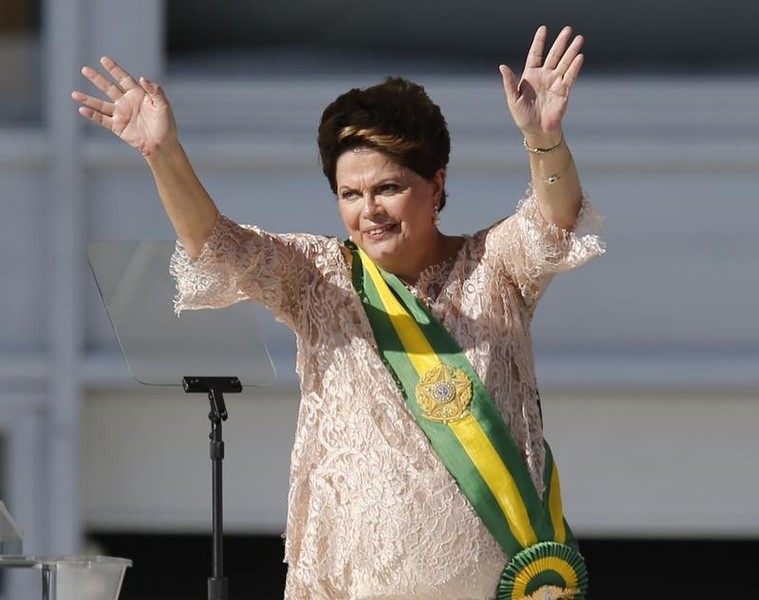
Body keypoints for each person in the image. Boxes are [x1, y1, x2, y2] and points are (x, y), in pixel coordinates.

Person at [73, 25, 604, 600]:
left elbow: (556, 221)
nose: (369, 211)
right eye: (350, 195)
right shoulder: (319, 276)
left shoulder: (495, 265)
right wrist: (163, 154)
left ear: (437, 184)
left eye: (389, 188)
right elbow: (216, 245)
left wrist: (543, 138)